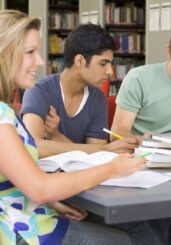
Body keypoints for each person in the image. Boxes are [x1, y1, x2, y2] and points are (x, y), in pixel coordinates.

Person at [0, 10, 166, 245]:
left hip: (28, 215)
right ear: (5, 55)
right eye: (30, 52)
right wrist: (112, 168)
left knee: (142, 230)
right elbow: (40, 188)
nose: (39, 61)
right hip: (24, 232)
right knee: (142, 240)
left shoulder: (6, 110)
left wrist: (53, 202)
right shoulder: (3, 115)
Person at [19, 23, 139, 158]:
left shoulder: (98, 98)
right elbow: (33, 146)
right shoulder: (39, 90)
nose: (110, 71)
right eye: (103, 63)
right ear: (80, 60)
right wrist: (104, 149)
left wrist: (57, 136)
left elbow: (96, 156)